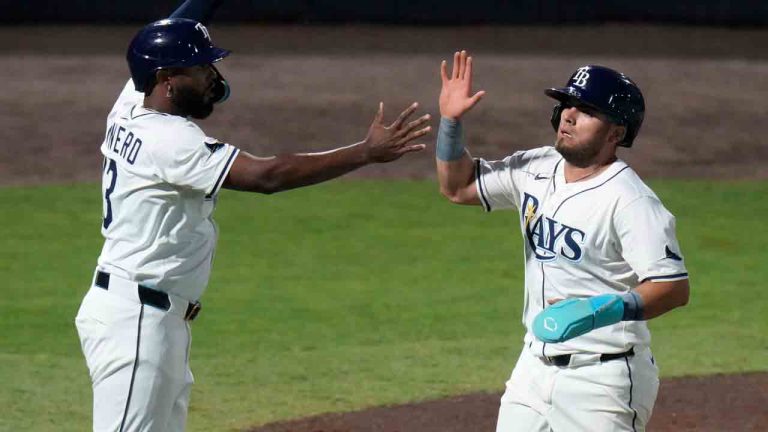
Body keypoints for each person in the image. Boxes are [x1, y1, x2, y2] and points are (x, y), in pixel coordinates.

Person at [73, 1, 431, 430]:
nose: (212, 77)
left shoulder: (131, 103)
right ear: (168, 80)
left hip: (148, 316)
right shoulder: (170, 141)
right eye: (200, 67)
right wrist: (366, 152)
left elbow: (171, 25)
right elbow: (268, 175)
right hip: (136, 321)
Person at [435, 50, 690, 431]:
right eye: (567, 104)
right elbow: (458, 187)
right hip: (532, 370)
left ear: (616, 133)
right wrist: (451, 122)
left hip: (604, 380)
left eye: (586, 110)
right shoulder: (535, 168)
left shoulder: (630, 200)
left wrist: (600, 310)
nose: (568, 115)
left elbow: (673, 288)